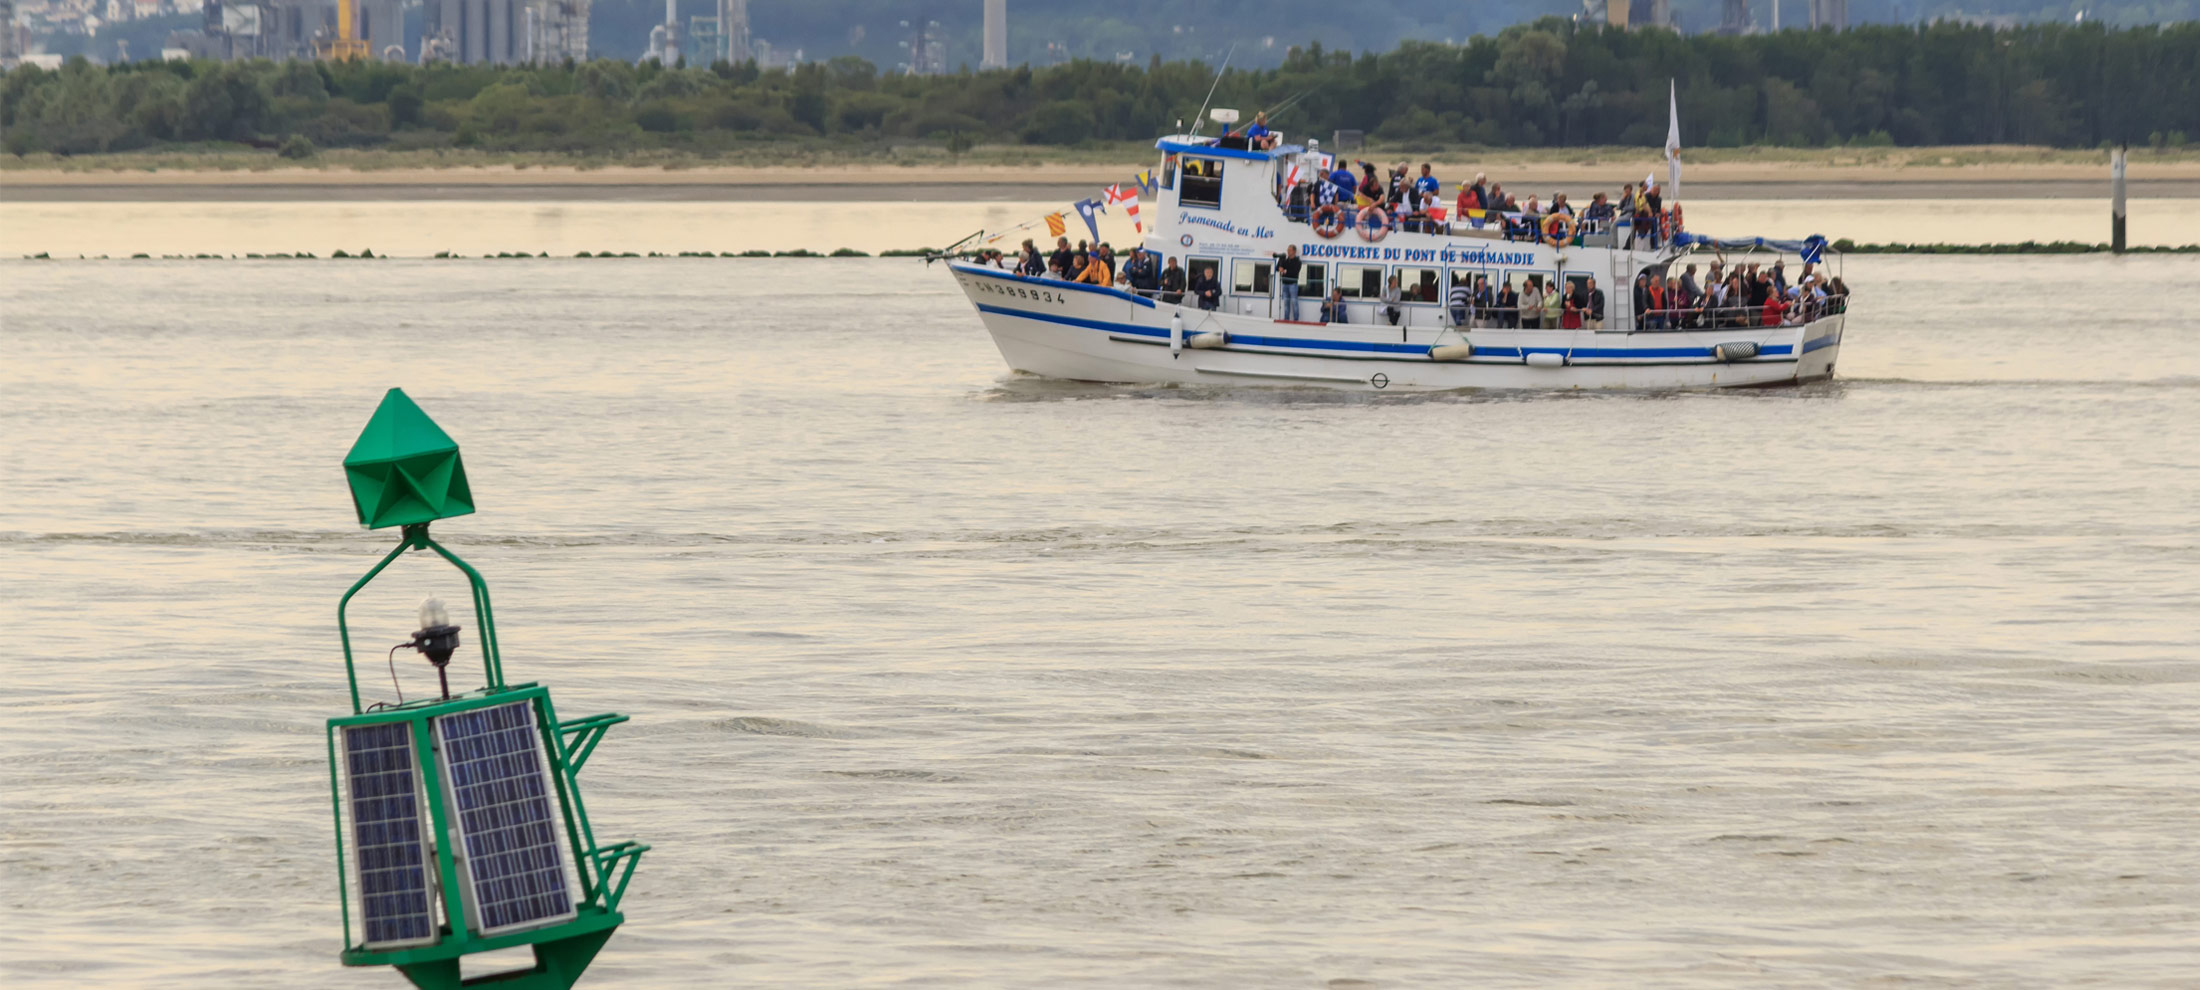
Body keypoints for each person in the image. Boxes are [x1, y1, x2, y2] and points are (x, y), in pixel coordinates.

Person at [1274, 246, 1303, 320]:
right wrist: (1280, 260)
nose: (1288, 252)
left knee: (1294, 302)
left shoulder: (1298, 261)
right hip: (1285, 283)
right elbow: (1277, 268)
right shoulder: (1285, 260)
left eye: (1290, 250)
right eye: (1287, 250)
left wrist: (1285, 271)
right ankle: (1286, 319)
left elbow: (1295, 272)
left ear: (1294, 251)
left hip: (1293, 284)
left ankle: (1296, 319)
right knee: (1286, 303)